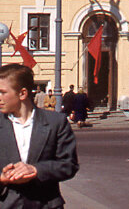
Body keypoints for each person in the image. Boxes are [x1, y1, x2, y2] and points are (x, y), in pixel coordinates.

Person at [0, 63, 79, 207]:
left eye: (2, 92)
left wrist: (36, 170)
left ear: (22, 93)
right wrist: (2, 178)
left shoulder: (55, 122)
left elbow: (69, 165)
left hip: (45, 203)